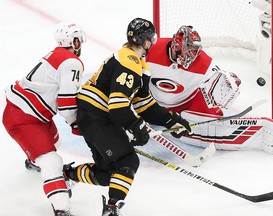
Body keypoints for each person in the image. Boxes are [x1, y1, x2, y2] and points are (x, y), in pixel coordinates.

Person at [63, 17, 191, 216]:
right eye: (152, 39)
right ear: (146, 41)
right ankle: (112, 209)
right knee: (128, 161)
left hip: (93, 115)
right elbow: (118, 106)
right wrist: (136, 126)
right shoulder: (129, 61)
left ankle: (65, 175)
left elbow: (143, 104)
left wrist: (171, 120)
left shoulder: (136, 63)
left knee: (109, 174)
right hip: (97, 114)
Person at [145, 25, 273, 153]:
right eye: (188, 52)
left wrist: (230, 81)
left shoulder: (204, 62)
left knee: (212, 121)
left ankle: (265, 135)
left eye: (194, 52)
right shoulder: (152, 49)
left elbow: (220, 78)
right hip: (154, 105)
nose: (191, 57)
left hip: (187, 104)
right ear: (176, 46)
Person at [2, 21, 86, 216]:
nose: (80, 44)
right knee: (51, 162)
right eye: (79, 40)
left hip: (32, 112)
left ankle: (33, 160)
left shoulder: (57, 53)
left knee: (54, 142)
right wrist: (76, 124)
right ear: (73, 42)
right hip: (22, 116)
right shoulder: (72, 62)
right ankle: (61, 209)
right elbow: (66, 105)